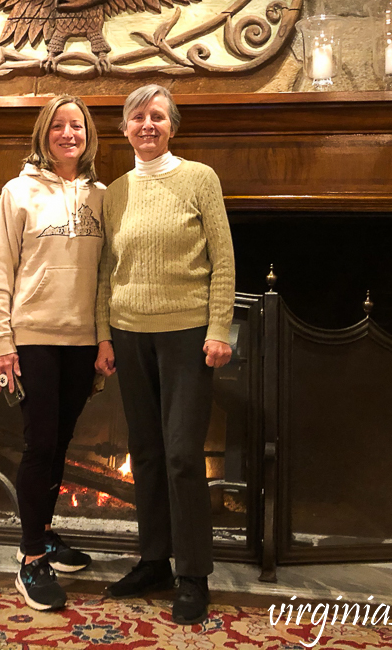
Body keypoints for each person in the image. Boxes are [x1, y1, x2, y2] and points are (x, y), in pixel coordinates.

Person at [95, 84, 235, 625]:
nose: (147, 124)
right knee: (147, 452)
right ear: (125, 128)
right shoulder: (114, 193)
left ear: (172, 127)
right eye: (137, 117)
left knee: (181, 454)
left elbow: (222, 259)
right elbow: (107, 270)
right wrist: (104, 335)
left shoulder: (200, 179)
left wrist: (219, 329)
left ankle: (193, 574)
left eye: (157, 116)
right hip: (129, 335)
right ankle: (152, 560)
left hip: (187, 335)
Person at [0, 95, 105, 612]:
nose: (68, 133)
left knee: (60, 445)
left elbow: (105, 278)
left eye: (76, 125)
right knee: (38, 447)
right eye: (58, 126)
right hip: (32, 337)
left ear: (88, 134)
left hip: (82, 341)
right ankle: (31, 558)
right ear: (44, 133)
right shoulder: (18, 192)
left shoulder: (103, 197)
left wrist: (105, 338)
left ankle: (46, 532)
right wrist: (1, 341)